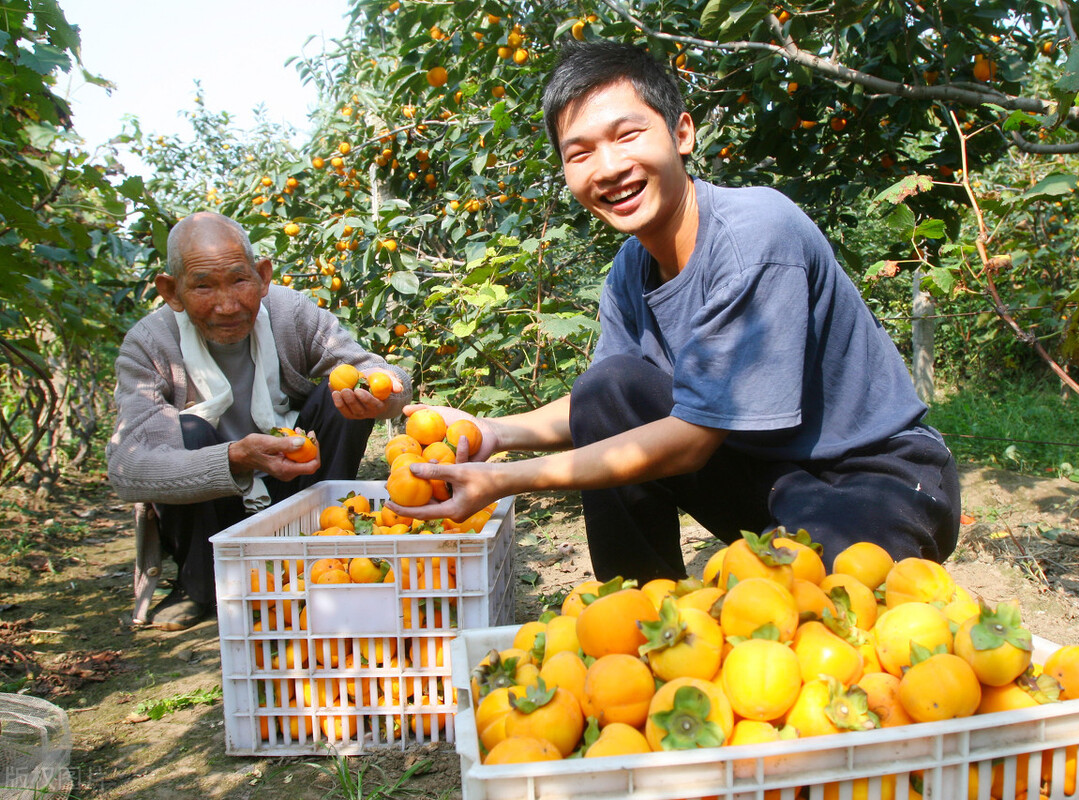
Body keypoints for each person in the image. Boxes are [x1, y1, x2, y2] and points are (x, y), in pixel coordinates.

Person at [393, 40, 960, 584]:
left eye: (627, 135)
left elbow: (691, 439)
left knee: (811, 625)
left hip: (874, 480)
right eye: (581, 152)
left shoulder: (754, 234)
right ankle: (641, 621)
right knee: (607, 386)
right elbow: (606, 406)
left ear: (682, 133)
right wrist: (494, 432)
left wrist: (507, 480)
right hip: (766, 477)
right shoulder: (630, 267)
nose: (608, 167)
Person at [107, 212, 412, 630]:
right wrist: (233, 458)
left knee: (342, 392)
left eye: (239, 280)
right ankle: (199, 585)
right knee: (189, 430)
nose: (228, 305)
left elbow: (377, 372)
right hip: (214, 504)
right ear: (171, 292)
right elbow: (130, 468)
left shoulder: (289, 313)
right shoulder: (149, 345)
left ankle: (323, 546)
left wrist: (388, 396)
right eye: (202, 286)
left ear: (263, 275)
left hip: (295, 481)